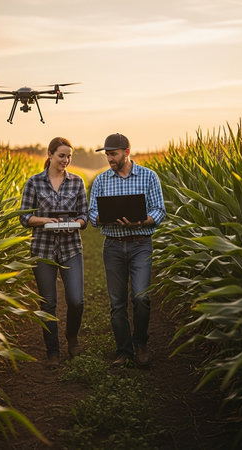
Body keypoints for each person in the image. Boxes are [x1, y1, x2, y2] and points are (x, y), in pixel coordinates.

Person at [89, 133, 166, 368]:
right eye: (107, 154)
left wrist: (141, 222)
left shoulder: (149, 176)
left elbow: (159, 210)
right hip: (112, 245)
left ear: (127, 152)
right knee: (117, 302)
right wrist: (106, 217)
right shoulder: (102, 181)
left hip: (141, 243)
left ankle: (140, 344)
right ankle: (124, 351)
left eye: (113, 154)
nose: (109, 158)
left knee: (141, 297)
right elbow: (92, 214)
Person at [20, 137, 88, 369]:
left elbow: (84, 216)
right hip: (43, 248)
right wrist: (44, 220)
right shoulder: (34, 182)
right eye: (61, 155)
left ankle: (72, 338)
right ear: (49, 155)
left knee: (76, 301)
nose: (66, 160)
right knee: (48, 303)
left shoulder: (77, 182)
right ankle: (53, 352)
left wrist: (76, 223)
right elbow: (24, 217)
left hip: (71, 247)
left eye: (69, 156)